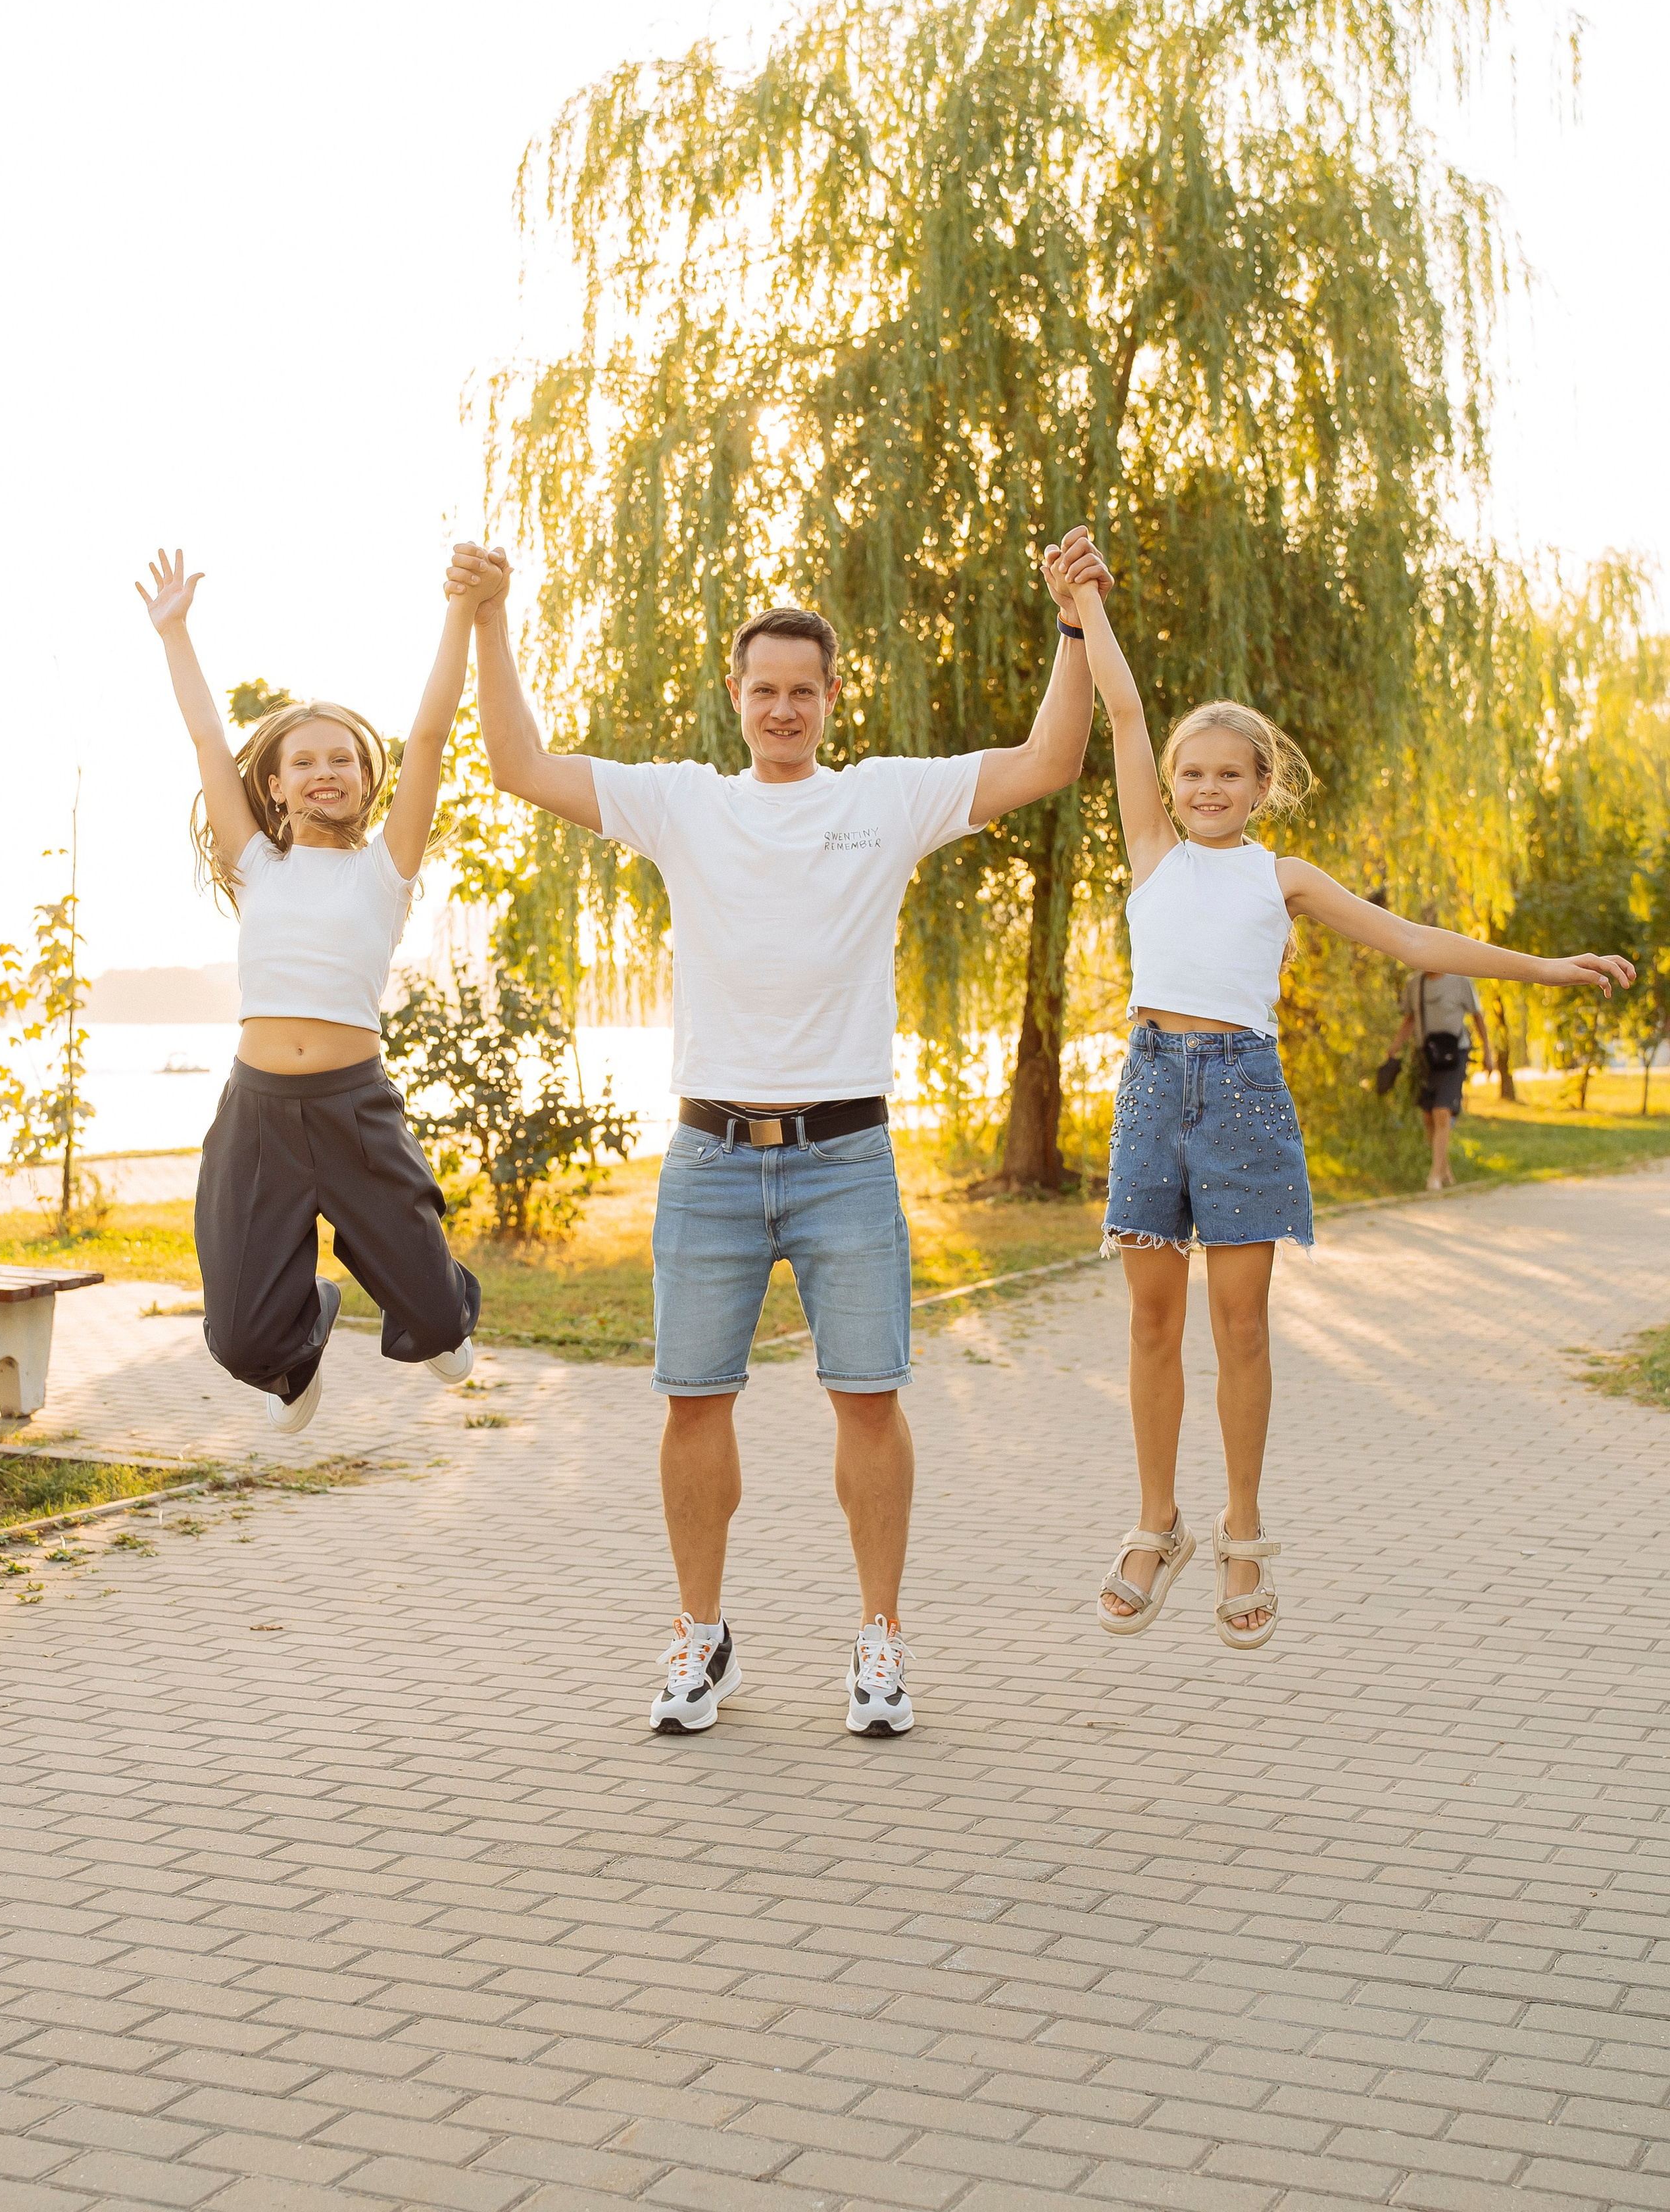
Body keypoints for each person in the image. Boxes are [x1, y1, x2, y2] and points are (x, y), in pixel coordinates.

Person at [447, 534, 1108, 1737]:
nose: (785, 708)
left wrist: (1073, 625)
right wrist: (492, 620)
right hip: (708, 1161)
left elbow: (1051, 758)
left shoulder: (885, 798)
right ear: (736, 696)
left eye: (805, 690)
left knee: (868, 1399)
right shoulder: (684, 803)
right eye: (765, 690)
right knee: (694, 1403)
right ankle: (702, 1641)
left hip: (846, 1159)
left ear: (831, 698)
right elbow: (520, 763)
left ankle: (881, 1642)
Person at [1050, 523, 1635, 1651]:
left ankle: (1244, 1530)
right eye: (1193, 773)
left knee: (1243, 1326)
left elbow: (1417, 946)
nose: (1208, 787)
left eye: (1230, 774)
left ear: (1263, 786)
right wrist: (1085, 605)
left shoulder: (1286, 877)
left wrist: (1544, 968)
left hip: (1243, 1098)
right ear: (1171, 786)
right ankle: (1154, 1520)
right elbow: (1122, 710)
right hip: (1154, 1087)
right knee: (1153, 1323)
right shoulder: (1150, 850)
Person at [137, 546, 485, 1435]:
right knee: (239, 1341)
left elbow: (434, 733)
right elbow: (210, 740)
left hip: (354, 1109)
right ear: (277, 784)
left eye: (343, 759)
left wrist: (466, 612)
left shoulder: (385, 872)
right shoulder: (257, 865)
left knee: (444, 1335)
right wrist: (176, 632)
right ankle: (304, 1339)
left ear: (367, 779)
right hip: (257, 1113)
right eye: (304, 761)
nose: (326, 770)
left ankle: (435, 1301)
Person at [1385, 923, 1491, 1190]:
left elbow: (1478, 1018)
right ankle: (1445, 1172)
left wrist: (1488, 1053)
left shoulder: (1460, 981)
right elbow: (1410, 1019)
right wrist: (1394, 1048)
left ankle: (1434, 1176)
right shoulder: (1415, 984)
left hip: (1456, 1053)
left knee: (1442, 1112)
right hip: (1426, 1055)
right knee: (1429, 1116)